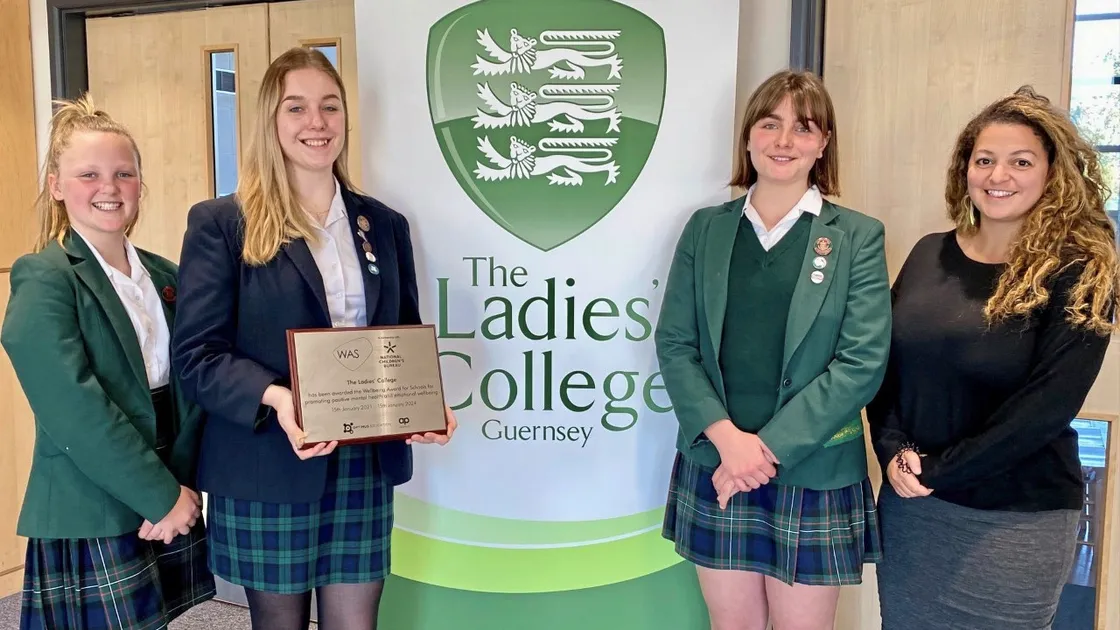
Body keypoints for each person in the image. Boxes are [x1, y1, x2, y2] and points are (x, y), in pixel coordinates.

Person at [171, 47, 457, 630]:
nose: (317, 122)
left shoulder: (383, 224)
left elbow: (397, 339)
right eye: (296, 108)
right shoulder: (223, 224)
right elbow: (197, 357)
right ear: (270, 123)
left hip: (362, 460)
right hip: (269, 462)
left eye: (330, 106)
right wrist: (280, 399)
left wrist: (420, 406)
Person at [868, 86, 1118, 630]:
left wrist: (938, 469)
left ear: (1052, 173)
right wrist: (891, 451)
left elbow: (1046, 408)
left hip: (1015, 520)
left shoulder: (1080, 271)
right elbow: (885, 370)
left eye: (1020, 161)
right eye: (985, 160)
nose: (997, 175)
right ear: (965, 169)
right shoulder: (929, 253)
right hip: (914, 506)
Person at [653, 69, 891, 630]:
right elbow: (676, 342)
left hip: (815, 467)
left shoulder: (857, 235)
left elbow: (862, 362)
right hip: (717, 462)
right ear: (749, 136)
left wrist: (763, 452)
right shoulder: (707, 229)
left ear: (823, 143)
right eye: (770, 123)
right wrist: (727, 441)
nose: (785, 141)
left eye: (803, 128)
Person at [1, 94, 214, 630]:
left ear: (141, 183)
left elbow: (189, 387)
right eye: (88, 173)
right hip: (92, 497)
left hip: (166, 481)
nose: (109, 187)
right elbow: (74, 407)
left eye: (124, 172)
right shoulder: (44, 276)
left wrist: (180, 488)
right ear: (56, 185)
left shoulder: (167, 273)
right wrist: (160, 497)